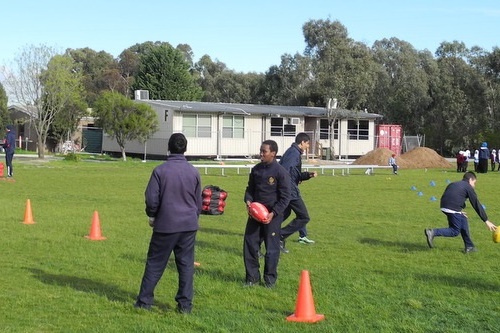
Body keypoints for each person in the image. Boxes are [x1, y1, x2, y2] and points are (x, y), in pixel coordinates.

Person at [135, 133, 202, 313]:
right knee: (186, 266)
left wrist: (153, 215)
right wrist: (193, 218)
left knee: (155, 264)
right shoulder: (193, 171)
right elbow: (198, 202)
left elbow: (151, 199)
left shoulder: (160, 171)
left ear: (168, 148)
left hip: (166, 225)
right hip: (188, 225)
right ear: (185, 149)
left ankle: (144, 301)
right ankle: (185, 305)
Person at [243, 140, 290, 288]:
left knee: (271, 249)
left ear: (273, 153)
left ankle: (269, 280)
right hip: (255, 215)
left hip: (272, 216)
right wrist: (249, 201)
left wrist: (274, 213)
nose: (261, 153)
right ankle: (252, 278)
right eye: (261, 150)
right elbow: (250, 189)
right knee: (250, 245)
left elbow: (285, 197)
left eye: (264, 151)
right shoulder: (256, 169)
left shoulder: (280, 172)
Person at [424, 171, 496, 254]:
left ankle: (469, 247)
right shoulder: (468, 187)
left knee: (463, 219)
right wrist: (486, 220)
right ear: (470, 180)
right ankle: (432, 232)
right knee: (454, 231)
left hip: (444, 205)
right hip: (451, 208)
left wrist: (459, 211)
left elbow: (453, 196)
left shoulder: (454, 183)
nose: (474, 186)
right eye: (474, 183)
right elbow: (476, 204)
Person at [279, 132, 317, 254]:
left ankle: (269, 236)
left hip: (289, 189)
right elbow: (284, 171)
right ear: (302, 142)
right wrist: (287, 188)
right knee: (303, 217)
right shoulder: (293, 153)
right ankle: (279, 236)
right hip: (289, 191)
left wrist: (307, 175)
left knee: (281, 215)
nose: (308, 147)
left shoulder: (294, 152)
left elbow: (294, 173)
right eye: (307, 144)